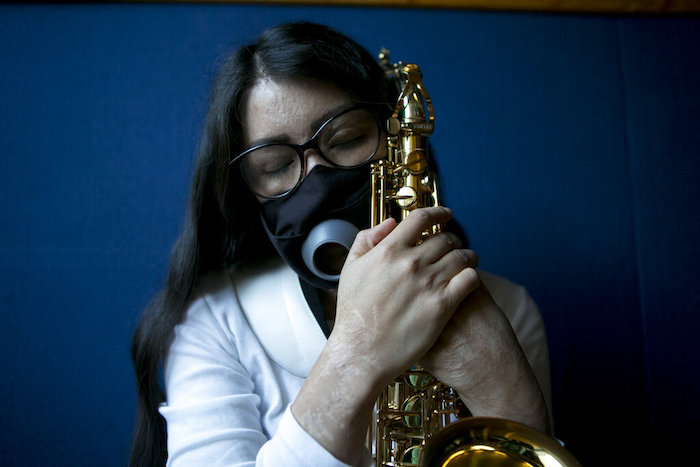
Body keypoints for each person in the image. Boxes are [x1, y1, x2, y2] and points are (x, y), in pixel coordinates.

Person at [130, 22, 551, 467]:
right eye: (274, 166)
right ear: (245, 190)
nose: (317, 183)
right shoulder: (215, 320)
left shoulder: (509, 307)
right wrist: (358, 352)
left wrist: (499, 385)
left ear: (396, 142)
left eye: (347, 140)